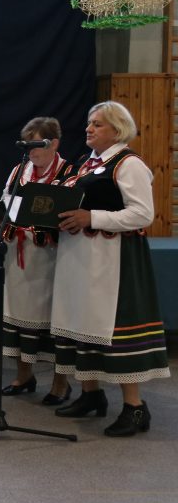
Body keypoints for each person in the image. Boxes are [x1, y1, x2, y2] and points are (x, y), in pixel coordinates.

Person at [51, 101, 170, 436]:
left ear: (118, 130)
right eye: (89, 123)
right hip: (80, 257)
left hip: (113, 260)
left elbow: (142, 214)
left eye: (97, 124)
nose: (88, 129)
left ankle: (135, 407)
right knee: (82, 321)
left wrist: (92, 217)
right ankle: (91, 394)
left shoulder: (128, 164)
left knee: (114, 328)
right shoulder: (86, 164)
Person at [0, 117, 72, 405]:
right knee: (17, 317)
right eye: (28, 145)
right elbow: (6, 201)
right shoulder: (19, 170)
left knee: (53, 321)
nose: (31, 151)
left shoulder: (69, 172)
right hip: (17, 255)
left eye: (37, 145)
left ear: (54, 143)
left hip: (51, 258)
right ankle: (24, 376)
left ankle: (60, 384)